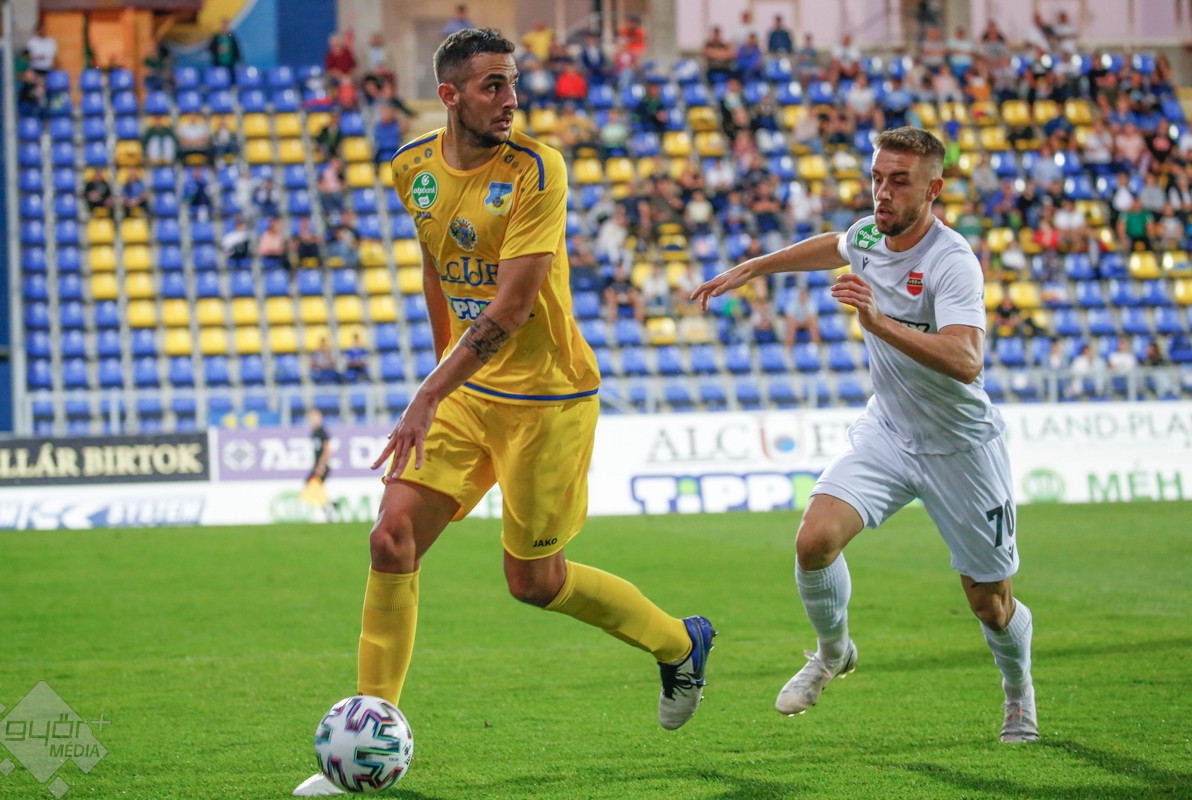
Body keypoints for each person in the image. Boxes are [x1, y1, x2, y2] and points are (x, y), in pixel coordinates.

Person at [294, 30, 715, 796]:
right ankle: (368, 737)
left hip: (547, 401)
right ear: (449, 95)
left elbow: (515, 306)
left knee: (534, 582)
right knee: (390, 540)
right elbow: (436, 264)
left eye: (513, 83)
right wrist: (444, 376)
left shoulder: (536, 170)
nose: (511, 99)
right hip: (468, 392)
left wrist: (429, 391)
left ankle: (679, 645)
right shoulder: (411, 168)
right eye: (493, 85)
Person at [692, 127, 1037, 744]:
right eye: (877, 177)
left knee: (990, 603)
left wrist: (878, 321)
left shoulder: (951, 260)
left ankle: (1018, 693)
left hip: (960, 445)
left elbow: (967, 360)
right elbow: (835, 245)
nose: (882, 192)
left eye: (899, 181)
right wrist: (753, 268)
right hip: (889, 429)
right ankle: (833, 653)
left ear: (933, 189)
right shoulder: (871, 235)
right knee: (814, 541)